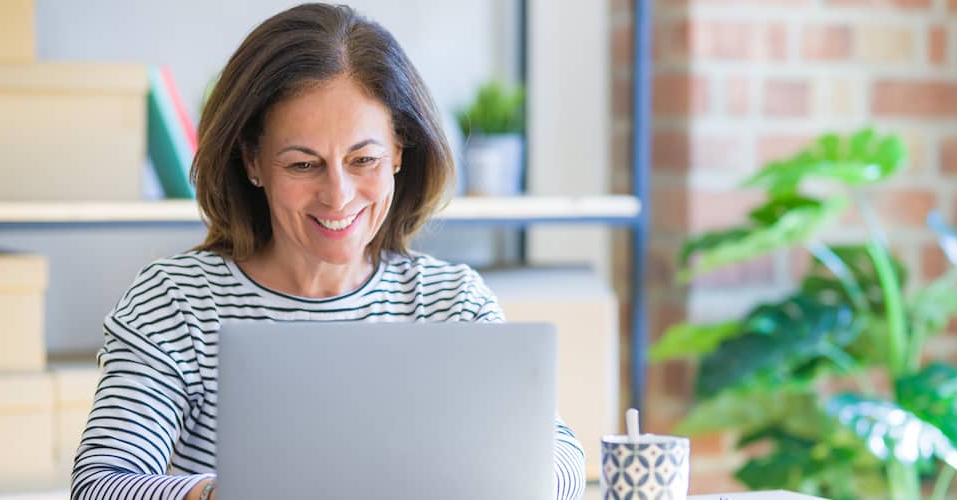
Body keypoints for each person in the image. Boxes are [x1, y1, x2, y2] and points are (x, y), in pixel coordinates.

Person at [70, 4, 587, 499]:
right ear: (253, 161)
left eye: (363, 158)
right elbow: (101, 483)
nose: (338, 195)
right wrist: (227, 494)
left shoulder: (449, 304)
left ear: (400, 153)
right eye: (302, 164)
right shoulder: (177, 302)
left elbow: (561, 458)